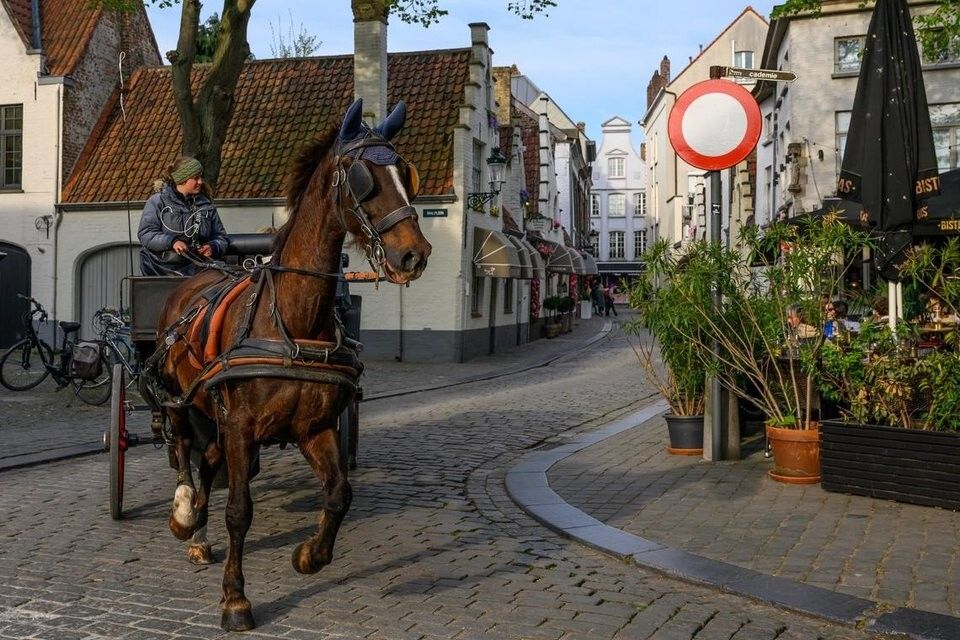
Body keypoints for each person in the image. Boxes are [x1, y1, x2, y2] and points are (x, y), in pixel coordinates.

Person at [138, 156, 229, 276]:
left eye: (200, 177)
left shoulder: (206, 205)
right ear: (182, 179)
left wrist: (213, 246)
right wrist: (171, 242)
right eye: (195, 178)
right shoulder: (158, 202)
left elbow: (221, 237)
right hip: (163, 270)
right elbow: (146, 234)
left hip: (199, 267)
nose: (200, 182)